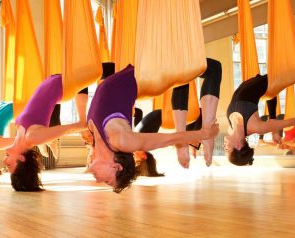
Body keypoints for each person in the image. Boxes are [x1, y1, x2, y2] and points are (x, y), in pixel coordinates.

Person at [85, 64, 219, 193]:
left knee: (191, 75)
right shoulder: (121, 141)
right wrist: (205, 133)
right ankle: (203, 135)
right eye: (107, 181)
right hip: (150, 77)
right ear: (117, 167)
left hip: (141, 72)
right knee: (210, 68)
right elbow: (168, 139)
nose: (98, 181)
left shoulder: (96, 136)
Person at [3, 74, 85, 191]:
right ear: (21, 159)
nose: (3, 161)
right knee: (104, 68)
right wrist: (85, 125)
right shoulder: (33, 137)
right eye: (9, 165)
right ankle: (51, 143)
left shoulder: (21, 135)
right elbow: (73, 127)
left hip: (53, 79)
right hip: (63, 83)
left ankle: (51, 143)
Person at [224, 68, 295, 166]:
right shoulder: (256, 127)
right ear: (238, 146)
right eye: (226, 149)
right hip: (269, 82)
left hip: (262, 85)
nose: (224, 146)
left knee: (270, 94)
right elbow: (285, 123)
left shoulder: (230, 128)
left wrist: (274, 131)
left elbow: (270, 95)